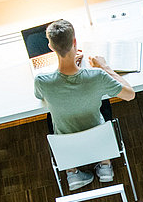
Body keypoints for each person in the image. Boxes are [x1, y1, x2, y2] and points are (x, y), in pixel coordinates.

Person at [33, 19, 136, 190]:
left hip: (67, 145)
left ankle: (72, 173)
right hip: (99, 139)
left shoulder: (42, 81)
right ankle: (105, 166)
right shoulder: (97, 76)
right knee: (104, 101)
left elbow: (40, 96)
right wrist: (105, 67)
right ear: (74, 42)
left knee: (51, 114)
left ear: (51, 47)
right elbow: (130, 95)